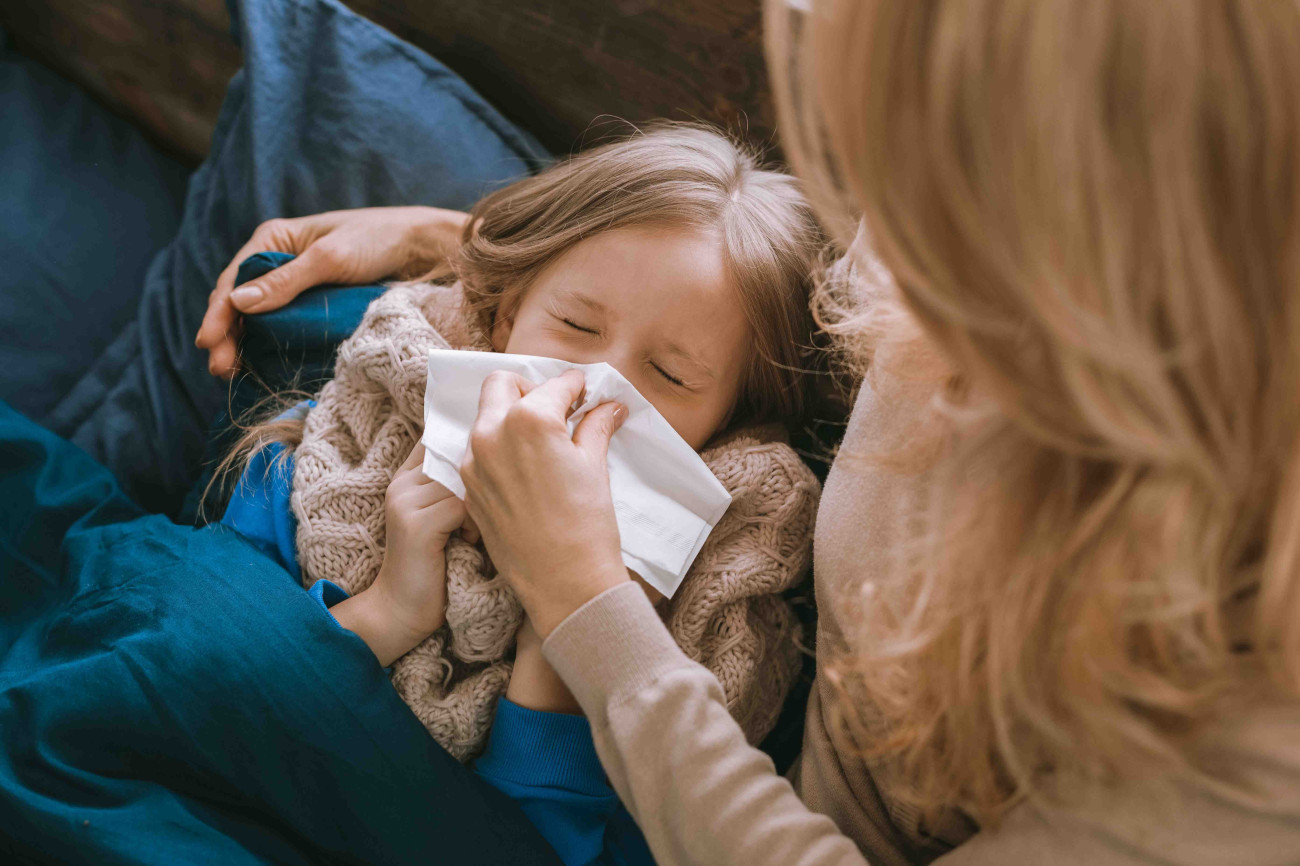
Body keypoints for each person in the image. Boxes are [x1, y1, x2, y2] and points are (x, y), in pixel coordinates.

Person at [197, 1, 1300, 863]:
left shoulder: (1258, 734)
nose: (901, 234)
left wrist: (581, 610)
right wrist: (461, 246)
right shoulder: (942, 233)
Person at [214, 124, 823, 865]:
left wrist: (554, 677)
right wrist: (386, 612)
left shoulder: (718, 638)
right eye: (572, 325)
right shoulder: (336, 458)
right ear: (506, 318)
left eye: (670, 377)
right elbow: (205, 698)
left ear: (730, 431)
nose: (587, 392)